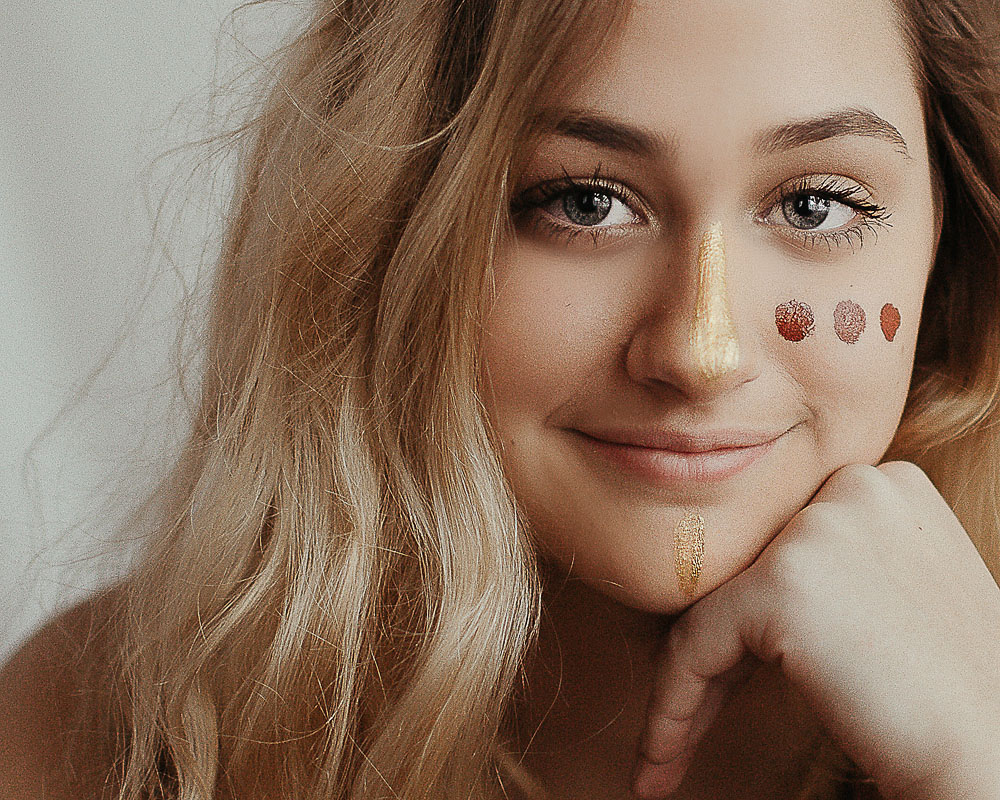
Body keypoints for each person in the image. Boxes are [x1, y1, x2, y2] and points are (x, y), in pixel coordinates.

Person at [2, 0, 1000, 798]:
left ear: (944, 247)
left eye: (813, 204)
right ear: (391, 227)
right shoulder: (112, 733)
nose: (701, 353)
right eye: (584, 201)